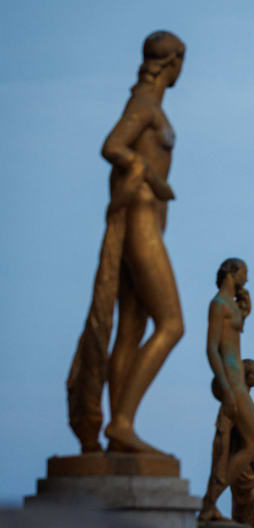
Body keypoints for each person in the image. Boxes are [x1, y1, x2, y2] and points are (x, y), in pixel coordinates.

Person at [67, 31, 187, 455]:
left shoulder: (150, 104)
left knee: (130, 329)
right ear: (171, 61)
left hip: (146, 218)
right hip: (141, 220)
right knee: (173, 323)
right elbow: (113, 145)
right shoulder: (145, 104)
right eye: (180, 62)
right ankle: (121, 422)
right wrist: (153, 177)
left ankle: (121, 428)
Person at [199, 258, 254, 522]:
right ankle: (209, 501)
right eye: (245, 273)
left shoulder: (229, 305)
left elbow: (231, 337)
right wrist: (227, 387)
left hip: (236, 381)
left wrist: (244, 312)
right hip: (232, 382)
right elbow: (212, 348)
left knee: (236, 444)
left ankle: (210, 501)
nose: (247, 279)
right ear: (232, 273)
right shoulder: (218, 304)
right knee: (251, 445)